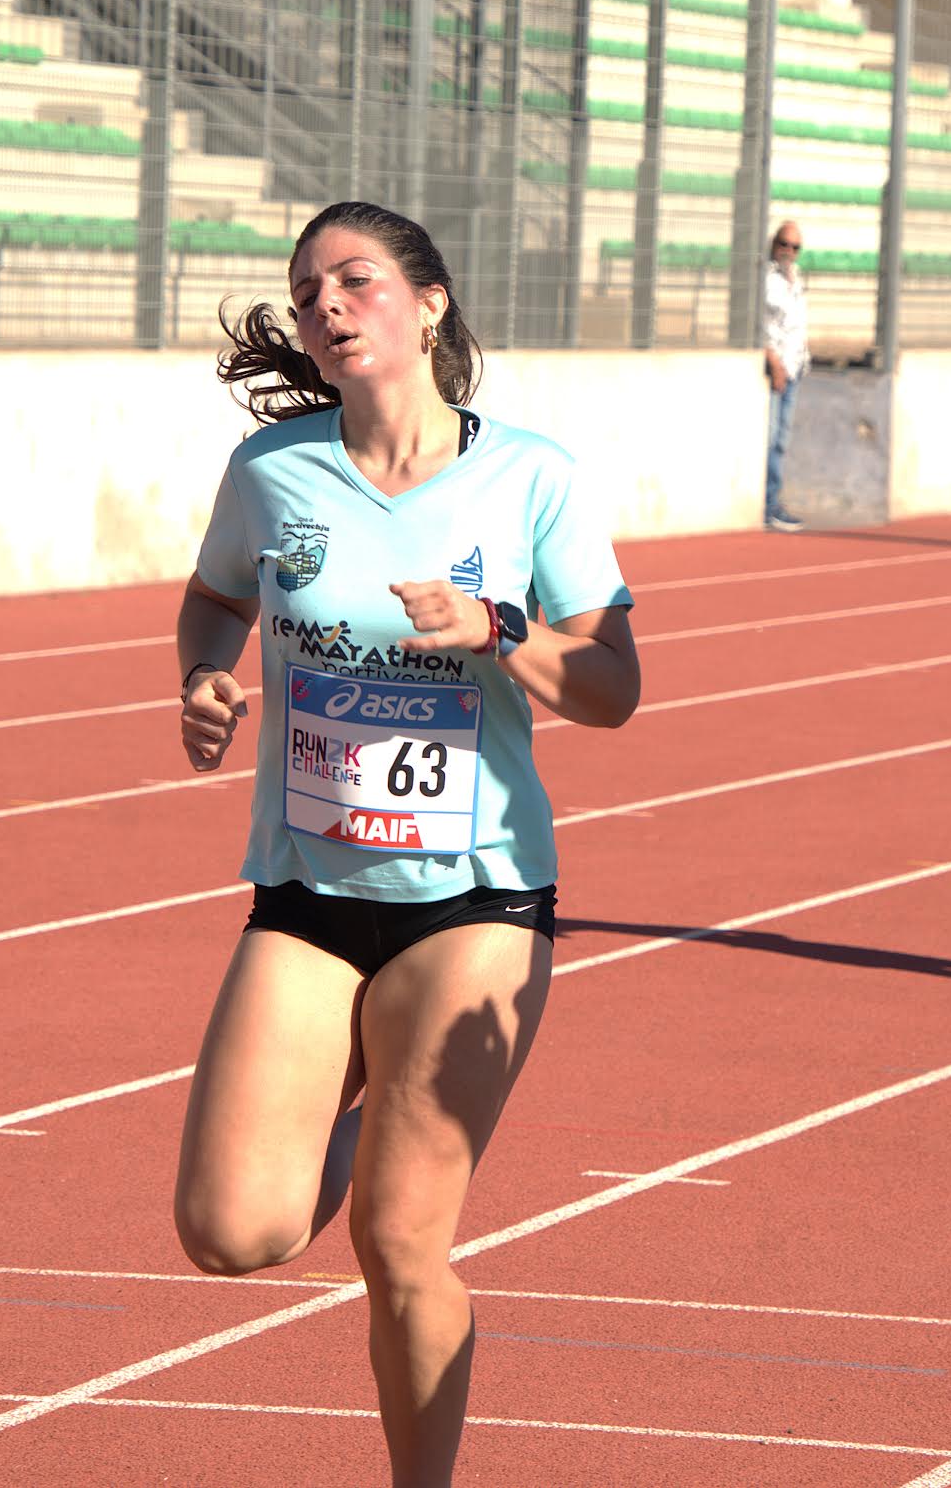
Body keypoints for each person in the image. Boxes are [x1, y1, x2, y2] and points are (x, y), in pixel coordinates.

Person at [172, 200, 641, 1487]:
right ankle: (369, 1084)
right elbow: (214, 598)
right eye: (308, 288)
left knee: (395, 1235)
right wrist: (208, 677)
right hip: (309, 888)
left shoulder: (528, 476)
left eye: (358, 280)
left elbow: (614, 687)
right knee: (231, 1231)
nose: (328, 306)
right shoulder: (274, 473)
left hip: (475, 897)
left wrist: (500, 633)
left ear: (429, 303)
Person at [763, 219, 810, 532]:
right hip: (776, 368)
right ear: (774, 244)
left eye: (795, 247)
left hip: (794, 366)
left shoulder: (795, 278)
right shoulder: (767, 280)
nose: (788, 251)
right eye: (784, 244)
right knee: (770, 438)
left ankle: (773, 501)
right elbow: (762, 327)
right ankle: (768, 504)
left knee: (782, 439)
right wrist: (775, 364)